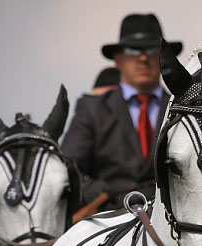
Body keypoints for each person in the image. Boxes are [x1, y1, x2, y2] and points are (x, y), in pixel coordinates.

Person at [62, 13, 183, 212]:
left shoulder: (182, 110)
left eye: (153, 50)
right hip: (106, 222)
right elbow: (67, 169)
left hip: (170, 223)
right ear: (117, 59)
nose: (143, 58)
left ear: (164, 59)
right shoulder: (92, 108)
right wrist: (98, 192)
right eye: (133, 50)